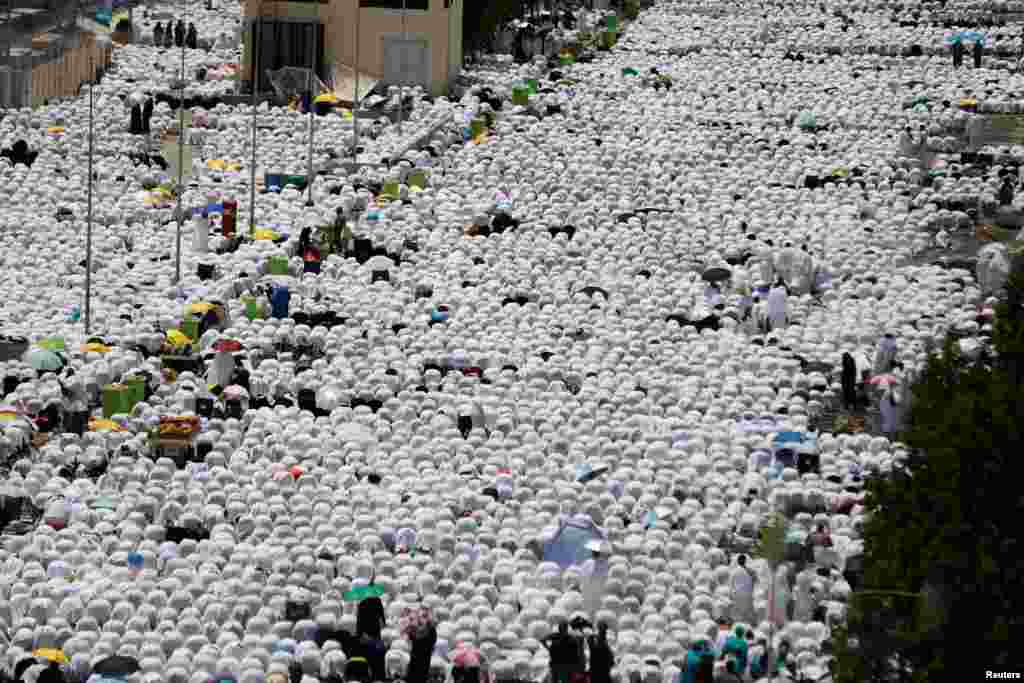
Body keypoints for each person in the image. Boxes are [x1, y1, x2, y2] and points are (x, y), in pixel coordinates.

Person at [731, 554, 756, 624]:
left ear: (737, 561)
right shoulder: (751, 571)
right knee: (747, 617)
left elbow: (731, 584)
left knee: (738, 617)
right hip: (748, 596)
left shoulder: (734, 571)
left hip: (737, 596)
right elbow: (755, 580)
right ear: (745, 561)